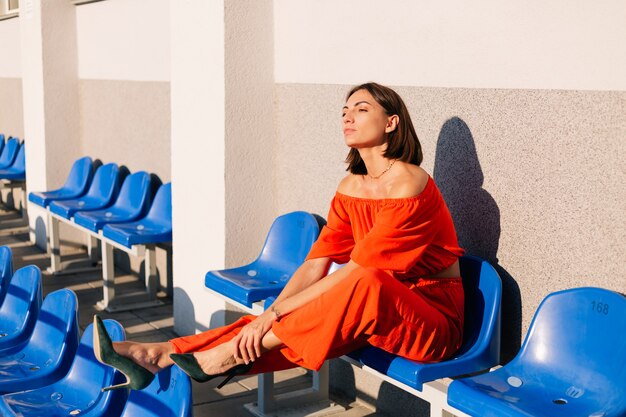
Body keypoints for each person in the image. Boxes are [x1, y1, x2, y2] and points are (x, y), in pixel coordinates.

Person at [93, 82, 465, 391]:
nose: (348, 116)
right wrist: (268, 316)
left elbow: (356, 273)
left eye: (362, 109)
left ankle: (226, 356)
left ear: (391, 122)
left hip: (429, 324)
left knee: (355, 285)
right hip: (373, 312)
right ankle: (159, 355)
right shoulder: (351, 186)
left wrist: (277, 312)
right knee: (276, 321)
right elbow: (316, 263)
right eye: (344, 110)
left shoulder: (409, 181)